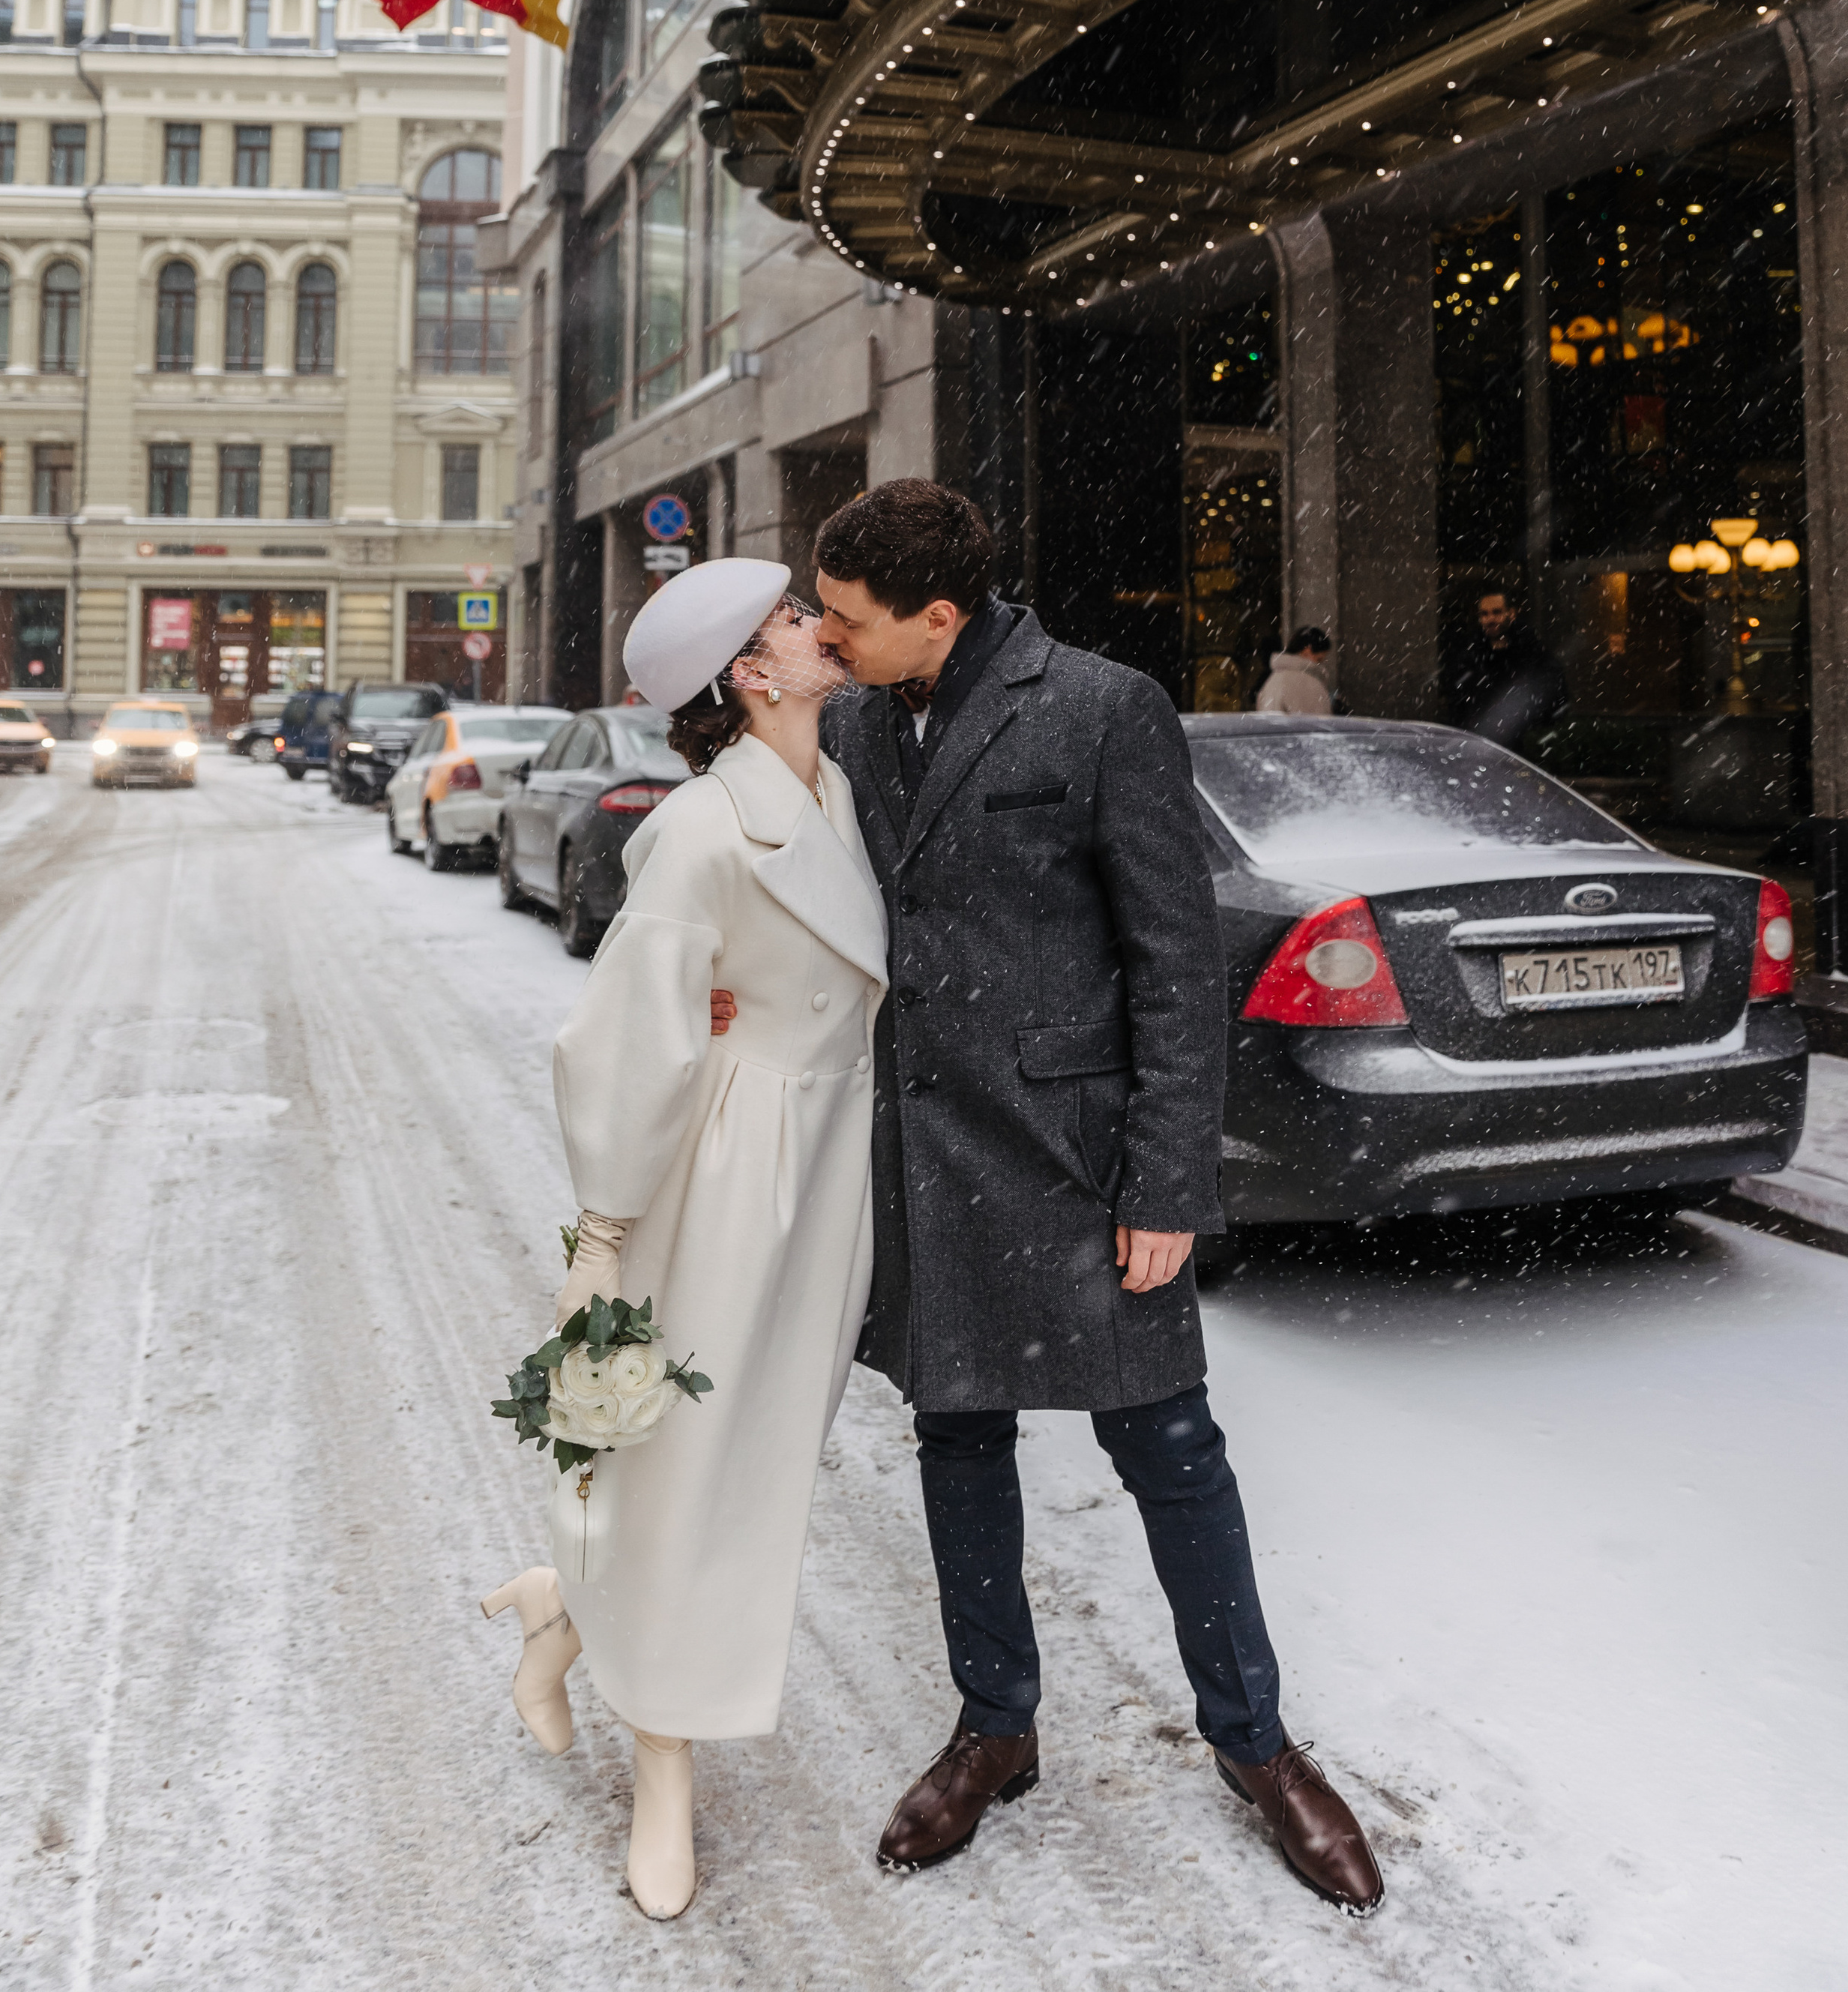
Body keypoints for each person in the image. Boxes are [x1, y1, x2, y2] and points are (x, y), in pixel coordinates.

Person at [810, 478, 1383, 1918]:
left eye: (846, 618)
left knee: (1171, 1448)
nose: (824, 638)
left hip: (1077, 1160)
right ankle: (995, 1729)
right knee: (957, 1437)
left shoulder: (1103, 706)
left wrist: (1167, 1182)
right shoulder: (851, 717)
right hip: (925, 1150)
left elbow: (1178, 966)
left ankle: (1256, 1747)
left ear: (938, 617)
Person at [479, 557, 885, 1922]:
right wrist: (601, 1231)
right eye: (786, 619)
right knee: (695, 1470)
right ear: (749, 679)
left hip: (821, 1175)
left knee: (748, 1465)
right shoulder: (709, 830)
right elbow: (622, 1036)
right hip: (721, 1178)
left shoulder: (838, 792)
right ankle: (662, 1770)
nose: (814, 622)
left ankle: (562, 1607)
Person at [1450, 587, 1568, 747]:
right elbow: (1460, 702)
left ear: (1511, 614)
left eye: (1496, 612)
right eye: (1484, 614)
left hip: (1522, 743)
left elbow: (1553, 691)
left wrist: (1531, 729)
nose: (1490, 619)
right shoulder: (1470, 654)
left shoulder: (1531, 650)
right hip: (1480, 743)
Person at [1253, 626, 1336, 714]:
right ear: (1307, 650)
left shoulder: (1272, 680)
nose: (1320, 665)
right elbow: (1317, 724)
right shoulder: (1308, 683)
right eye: (1319, 659)